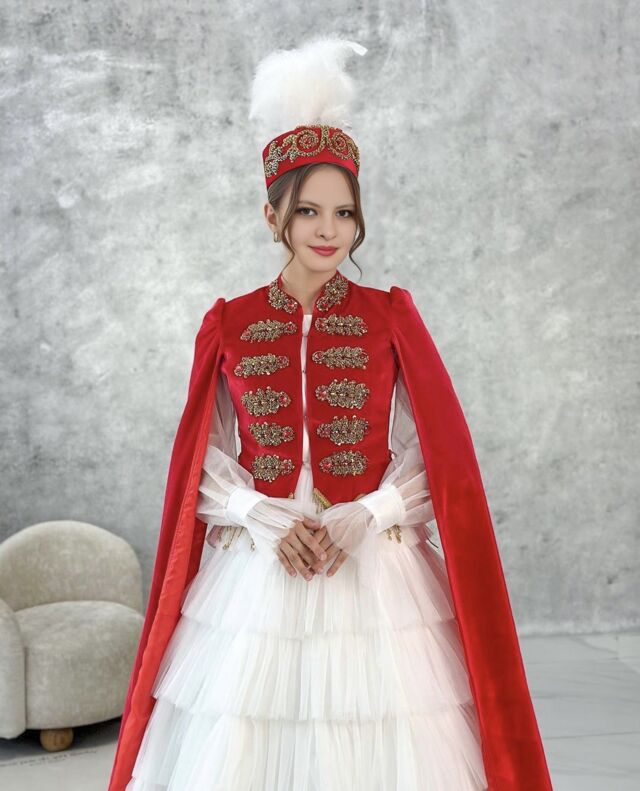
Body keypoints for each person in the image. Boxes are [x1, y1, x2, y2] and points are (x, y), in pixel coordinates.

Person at [108, 36, 552, 791]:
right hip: (260, 566)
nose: (328, 229)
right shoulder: (231, 322)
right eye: (308, 210)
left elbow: (438, 451)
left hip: (372, 564)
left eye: (344, 212)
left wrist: (369, 513)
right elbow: (203, 459)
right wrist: (259, 513)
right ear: (271, 214)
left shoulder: (389, 315)